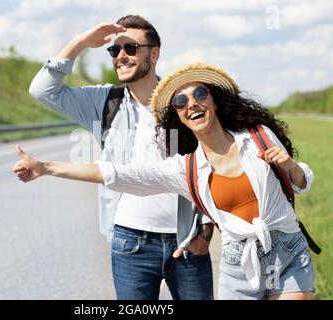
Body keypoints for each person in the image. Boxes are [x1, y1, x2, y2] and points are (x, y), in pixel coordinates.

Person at [15, 62, 316, 300]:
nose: (192, 104)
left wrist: (290, 166)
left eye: (199, 94)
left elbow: (302, 181)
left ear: (214, 99)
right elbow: (115, 174)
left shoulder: (258, 136)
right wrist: (46, 167)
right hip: (238, 265)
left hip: (287, 249)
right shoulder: (185, 169)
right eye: (181, 102)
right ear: (178, 116)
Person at [27, 15, 213, 300]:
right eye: (115, 50)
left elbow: (213, 162)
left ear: (154, 53)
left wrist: (206, 230)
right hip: (130, 245)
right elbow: (42, 90)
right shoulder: (103, 102)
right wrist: (80, 43)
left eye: (130, 48)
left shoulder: (183, 102)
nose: (121, 56)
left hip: (187, 240)